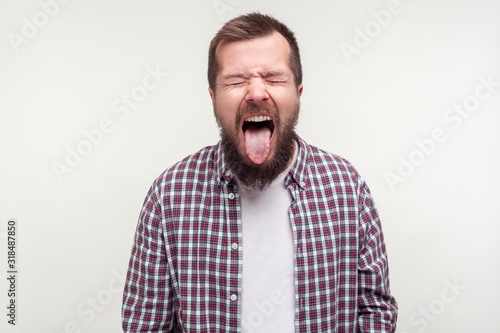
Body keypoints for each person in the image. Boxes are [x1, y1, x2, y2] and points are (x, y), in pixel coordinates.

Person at [122, 12, 398, 332]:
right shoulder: (168, 197)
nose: (255, 93)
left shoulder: (348, 189)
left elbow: (375, 309)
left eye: (274, 78)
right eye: (236, 80)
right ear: (213, 97)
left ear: (298, 93)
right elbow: (144, 326)